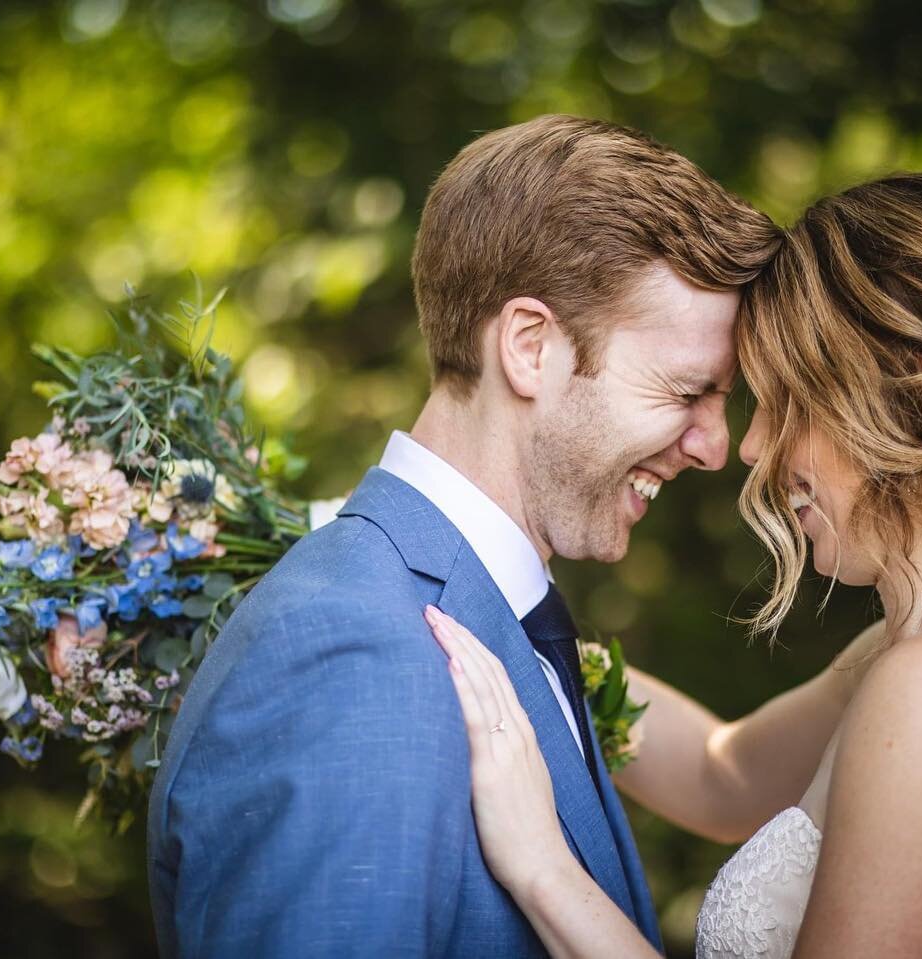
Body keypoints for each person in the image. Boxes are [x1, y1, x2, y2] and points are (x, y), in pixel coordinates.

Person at [426, 172, 922, 958]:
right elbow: (722, 775)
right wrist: (515, 634)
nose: (749, 448)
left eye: (785, 403)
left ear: (893, 395)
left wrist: (544, 869)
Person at [145, 115, 782, 956]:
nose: (712, 446)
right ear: (529, 347)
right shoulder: (352, 653)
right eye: (685, 391)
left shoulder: (483, 615)